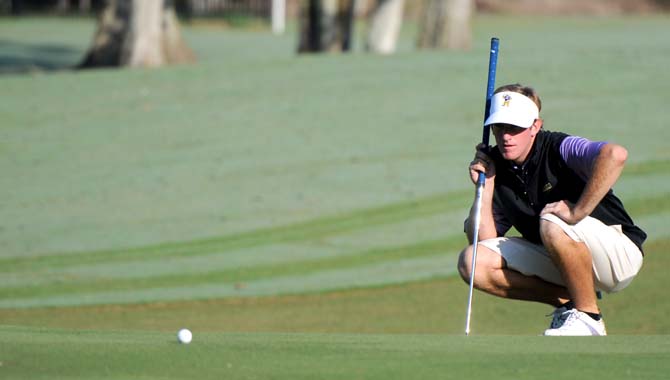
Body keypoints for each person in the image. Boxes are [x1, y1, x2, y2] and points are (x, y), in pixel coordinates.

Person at [458, 83, 646, 336]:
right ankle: (572, 304)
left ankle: (589, 318)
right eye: (499, 127)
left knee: (551, 218)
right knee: (473, 261)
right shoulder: (496, 166)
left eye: (515, 127)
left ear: (536, 126)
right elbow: (486, 244)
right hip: (562, 259)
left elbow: (615, 155)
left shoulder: (559, 147)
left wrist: (577, 212)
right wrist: (486, 186)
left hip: (618, 253)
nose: (505, 136)